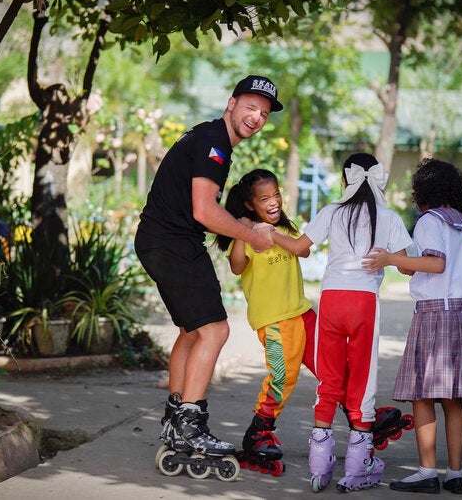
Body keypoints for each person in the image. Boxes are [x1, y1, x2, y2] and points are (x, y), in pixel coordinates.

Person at [135, 75, 284, 463]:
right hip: (173, 242)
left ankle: (175, 419)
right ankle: (191, 427)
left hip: (163, 239)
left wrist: (247, 226)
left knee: (191, 332)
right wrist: (251, 236)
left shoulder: (208, 137)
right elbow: (204, 210)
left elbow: (203, 209)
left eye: (264, 113)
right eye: (250, 107)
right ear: (231, 103)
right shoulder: (214, 142)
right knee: (215, 330)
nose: (256, 117)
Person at [363, 158, 462, 495]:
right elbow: (436, 264)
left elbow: (436, 263)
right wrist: (406, 264)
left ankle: (427, 472)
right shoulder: (461, 222)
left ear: (423, 190)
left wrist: (390, 258)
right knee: (453, 400)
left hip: (436, 315)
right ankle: (455, 474)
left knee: (422, 396)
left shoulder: (429, 220)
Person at [270, 153, 412, 492]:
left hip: (332, 299)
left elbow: (299, 247)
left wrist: (269, 233)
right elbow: (406, 266)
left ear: (344, 181)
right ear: (379, 180)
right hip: (364, 302)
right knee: (362, 378)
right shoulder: (388, 217)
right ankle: (359, 461)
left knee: (329, 375)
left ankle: (320, 462)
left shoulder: (332, 211)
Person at [214, 169, 317, 475]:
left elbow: (305, 250)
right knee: (282, 376)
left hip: (302, 312)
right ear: (249, 205)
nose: (273, 202)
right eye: (264, 198)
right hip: (274, 321)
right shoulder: (247, 235)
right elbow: (236, 267)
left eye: (276, 195)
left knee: (332, 365)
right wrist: (244, 231)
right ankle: (259, 430)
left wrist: (270, 232)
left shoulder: (284, 228)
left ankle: (361, 418)